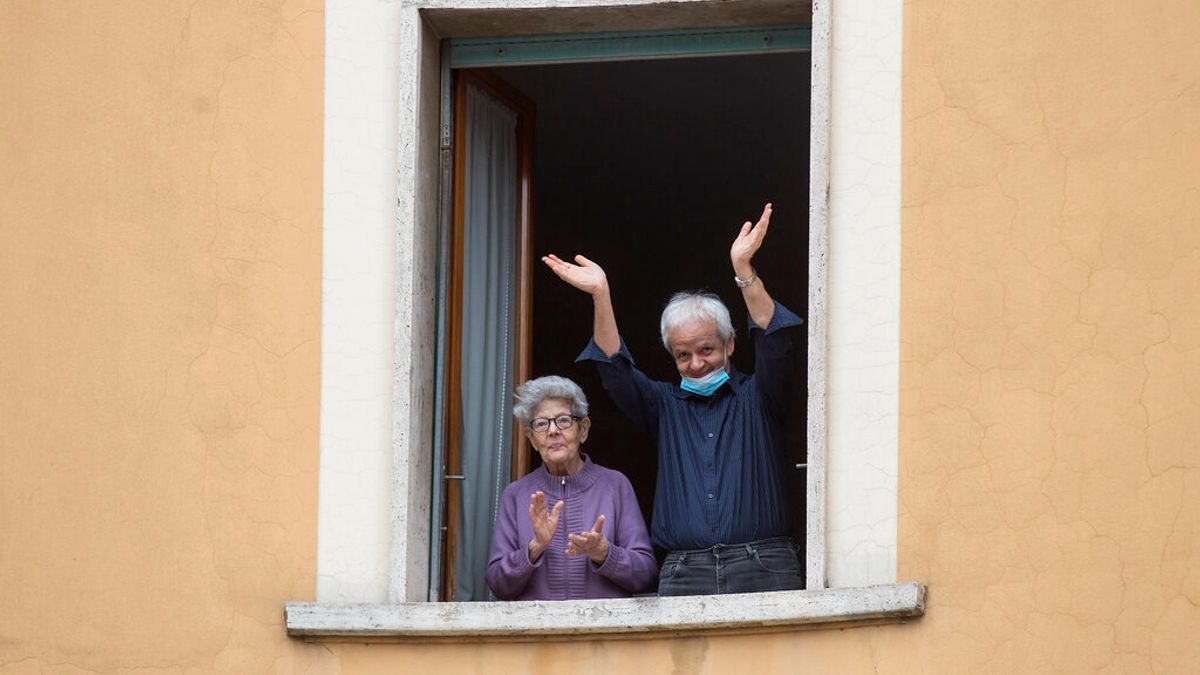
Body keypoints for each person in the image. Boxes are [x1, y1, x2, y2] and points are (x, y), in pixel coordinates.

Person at [542, 202, 804, 596]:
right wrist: (601, 294)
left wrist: (744, 271)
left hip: (763, 564)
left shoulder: (760, 395)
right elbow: (616, 368)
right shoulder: (663, 405)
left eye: (707, 350)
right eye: (683, 355)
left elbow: (773, 339)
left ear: (731, 343)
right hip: (686, 571)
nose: (696, 363)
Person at [485, 375, 658, 600]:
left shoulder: (615, 486)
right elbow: (498, 584)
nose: (553, 431)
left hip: (603, 631)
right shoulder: (516, 495)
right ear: (532, 439)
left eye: (563, 420)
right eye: (541, 424)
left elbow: (646, 574)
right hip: (538, 632)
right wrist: (535, 547)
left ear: (583, 429)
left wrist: (605, 553)